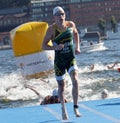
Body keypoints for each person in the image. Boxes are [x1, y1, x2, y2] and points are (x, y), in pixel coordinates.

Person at [42, 6, 81, 120]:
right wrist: (55, 47)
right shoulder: (51, 30)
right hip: (59, 61)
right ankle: (63, 109)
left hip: (70, 58)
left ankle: (75, 107)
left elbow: (76, 34)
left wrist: (77, 47)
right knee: (61, 86)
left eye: (62, 14)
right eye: (58, 14)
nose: (61, 16)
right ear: (54, 17)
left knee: (75, 79)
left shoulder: (71, 25)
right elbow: (43, 45)